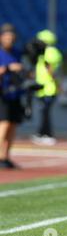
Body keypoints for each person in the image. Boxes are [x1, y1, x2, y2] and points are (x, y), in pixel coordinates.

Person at [30, 30, 63, 146]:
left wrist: (58, 85)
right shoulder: (43, 52)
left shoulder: (49, 52)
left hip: (49, 88)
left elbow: (51, 69)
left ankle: (47, 135)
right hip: (43, 87)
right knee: (44, 112)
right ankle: (42, 133)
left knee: (45, 112)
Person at [0, 23, 24, 169]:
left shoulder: (17, 52)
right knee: (4, 123)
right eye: (6, 36)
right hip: (2, 93)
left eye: (11, 36)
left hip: (15, 92)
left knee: (13, 125)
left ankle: (5, 156)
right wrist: (9, 68)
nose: (9, 39)